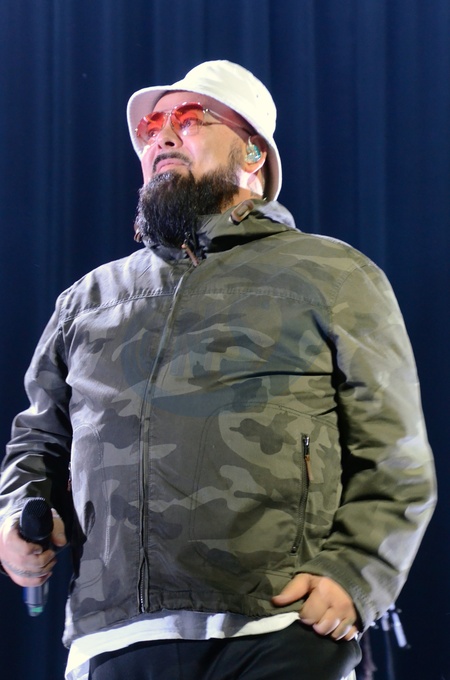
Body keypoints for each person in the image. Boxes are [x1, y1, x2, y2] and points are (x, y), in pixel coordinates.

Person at [0, 60, 436, 680]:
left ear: (253, 153)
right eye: (151, 127)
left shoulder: (333, 275)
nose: (160, 136)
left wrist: (355, 576)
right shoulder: (88, 300)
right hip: (116, 640)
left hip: (278, 633)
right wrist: (15, 515)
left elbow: (397, 456)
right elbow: (38, 441)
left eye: (188, 119)